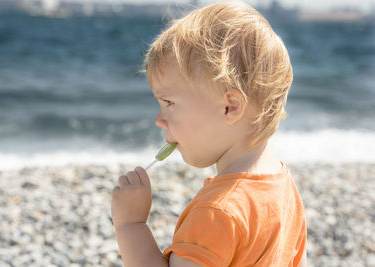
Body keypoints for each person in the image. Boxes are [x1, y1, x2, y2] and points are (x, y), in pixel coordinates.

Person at [111, 1, 307, 266]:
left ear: (230, 107)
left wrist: (130, 225)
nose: (159, 120)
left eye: (169, 103)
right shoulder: (283, 187)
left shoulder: (217, 212)